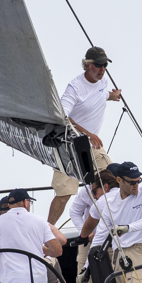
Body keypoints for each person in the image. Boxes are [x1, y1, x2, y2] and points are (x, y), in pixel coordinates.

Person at [48, 46, 121, 224]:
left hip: (92, 147)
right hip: (69, 145)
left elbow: (99, 95)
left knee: (113, 181)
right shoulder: (75, 87)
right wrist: (88, 134)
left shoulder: (102, 81)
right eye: (98, 65)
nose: (102, 69)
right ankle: (46, 232)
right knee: (64, 194)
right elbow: (62, 115)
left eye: (105, 65)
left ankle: (108, 226)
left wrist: (112, 96)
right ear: (87, 65)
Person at [70, 170, 119, 283]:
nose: (93, 194)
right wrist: (85, 234)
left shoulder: (117, 191)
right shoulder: (86, 191)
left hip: (112, 240)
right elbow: (74, 211)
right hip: (88, 240)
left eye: (95, 191)